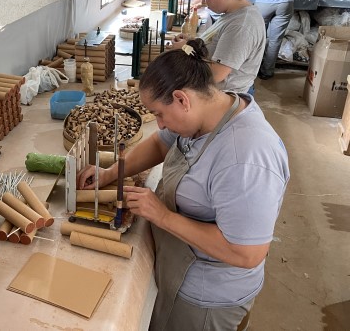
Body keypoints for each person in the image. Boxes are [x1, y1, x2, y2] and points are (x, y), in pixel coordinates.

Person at [77, 39, 290, 331]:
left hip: (207, 298)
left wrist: (163, 216)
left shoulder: (246, 158)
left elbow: (246, 253)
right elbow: (159, 144)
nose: (160, 125)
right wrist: (110, 173)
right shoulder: (211, 108)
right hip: (177, 266)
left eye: (160, 114)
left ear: (182, 99)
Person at [175, 0, 265, 94]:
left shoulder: (241, 25)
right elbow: (217, 42)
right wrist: (191, 42)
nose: (204, 2)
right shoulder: (232, 13)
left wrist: (186, 49)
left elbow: (216, 74)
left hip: (225, 97)